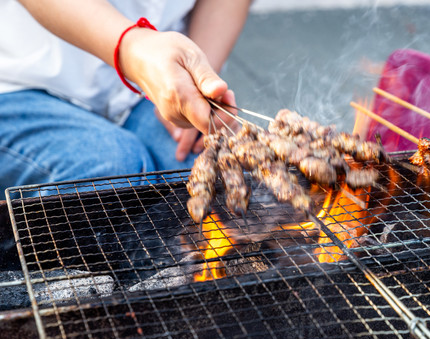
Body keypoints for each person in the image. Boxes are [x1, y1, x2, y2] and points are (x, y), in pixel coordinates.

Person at [0, 0, 251, 199]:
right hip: (20, 79)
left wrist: (192, 79)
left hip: (144, 86)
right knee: (111, 170)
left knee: (208, 175)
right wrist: (132, 49)